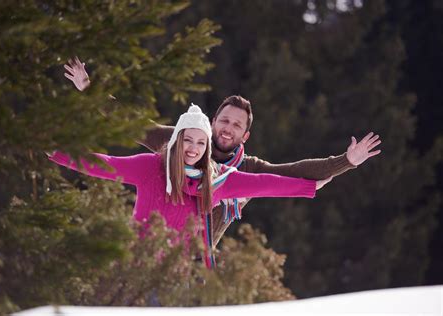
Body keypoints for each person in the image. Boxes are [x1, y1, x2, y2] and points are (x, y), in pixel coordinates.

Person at [63, 58, 382, 247]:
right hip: (148, 244)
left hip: (196, 258)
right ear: (212, 122)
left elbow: (292, 174)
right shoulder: (176, 142)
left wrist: (345, 162)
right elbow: (129, 124)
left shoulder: (244, 171)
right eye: (224, 120)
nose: (228, 128)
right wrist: (90, 92)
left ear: (246, 135)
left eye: (236, 125)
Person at [48, 105, 328, 268]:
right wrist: (57, 152)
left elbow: (266, 184)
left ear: (207, 147)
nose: (193, 148)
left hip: (178, 273)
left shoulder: (218, 181)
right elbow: (103, 163)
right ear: (176, 140)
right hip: (135, 263)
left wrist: (309, 186)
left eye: (201, 142)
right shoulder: (150, 167)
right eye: (187, 140)